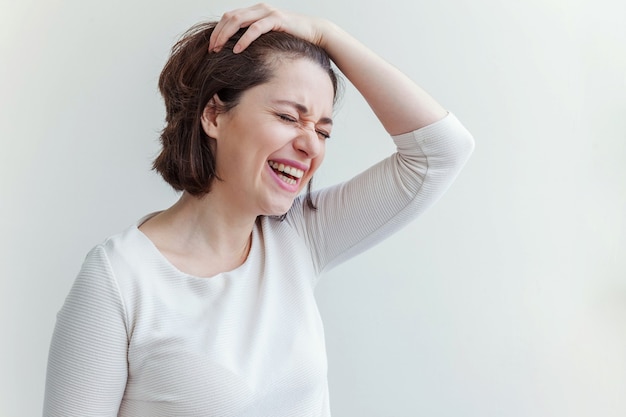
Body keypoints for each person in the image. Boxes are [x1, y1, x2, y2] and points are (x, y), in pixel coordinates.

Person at [43, 3, 474, 416]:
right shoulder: (119, 280)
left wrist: (328, 34)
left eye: (323, 131)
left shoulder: (297, 237)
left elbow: (441, 151)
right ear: (214, 115)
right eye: (289, 117)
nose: (310, 145)